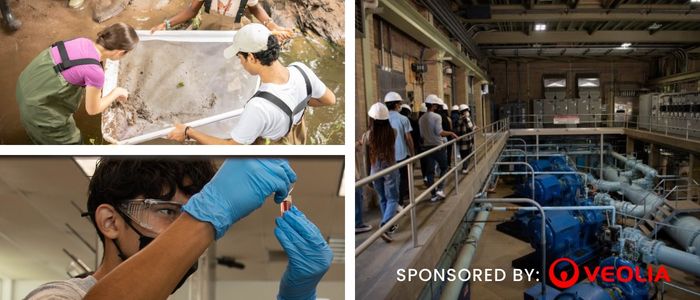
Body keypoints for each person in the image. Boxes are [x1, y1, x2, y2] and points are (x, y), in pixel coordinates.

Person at [24, 158, 332, 299]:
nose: (185, 227)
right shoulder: (59, 295)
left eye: (191, 212)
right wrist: (209, 214)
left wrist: (298, 296)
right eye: (168, 211)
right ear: (110, 221)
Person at [167, 23, 335, 145]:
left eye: (240, 58)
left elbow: (231, 148)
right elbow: (330, 100)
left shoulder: (258, 106)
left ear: (252, 58)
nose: (240, 63)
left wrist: (189, 132)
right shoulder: (301, 69)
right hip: (296, 137)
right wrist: (294, 102)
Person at [15, 23, 137, 145]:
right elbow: (93, 110)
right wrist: (116, 93)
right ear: (120, 52)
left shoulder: (83, 41)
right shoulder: (95, 73)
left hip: (27, 86)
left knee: (39, 135)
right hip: (38, 109)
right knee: (73, 146)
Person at [357, 103, 399, 242]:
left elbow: (366, 157)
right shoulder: (393, 132)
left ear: (372, 119)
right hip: (390, 168)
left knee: (383, 198)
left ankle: (387, 226)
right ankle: (385, 225)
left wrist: (368, 175)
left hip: (375, 169)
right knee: (392, 198)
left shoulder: (367, 136)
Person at [150, 0, 293, 40]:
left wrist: (272, 25)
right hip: (207, 28)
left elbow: (255, 8)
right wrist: (165, 24)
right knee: (202, 55)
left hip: (232, 31)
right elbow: (192, 10)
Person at [419, 95, 458, 202]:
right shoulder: (437, 117)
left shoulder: (421, 118)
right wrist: (451, 133)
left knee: (430, 172)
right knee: (444, 167)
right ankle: (440, 189)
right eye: (436, 104)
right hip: (437, 146)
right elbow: (440, 132)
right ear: (434, 105)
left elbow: (422, 135)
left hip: (427, 147)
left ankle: (433, 194)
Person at [384, 92, 415, 208]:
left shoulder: (382, 119)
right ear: (397, 105)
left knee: (390, 180)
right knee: (402, 179)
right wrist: (413, 154)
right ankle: (400, 202)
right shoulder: (403, 119)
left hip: (387, 156)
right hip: (402, 154)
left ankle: (391, 203)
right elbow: (408, 138)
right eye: (400, 103)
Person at [456, 104, 476, 174]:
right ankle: (465, 168)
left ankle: (464, 167)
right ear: (464, 112)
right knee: (468, 154)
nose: (468, 112)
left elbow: (458, 130)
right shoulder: (467, 119)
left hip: (461, 141)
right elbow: (471, 129)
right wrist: (475, 127)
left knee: (463, 155)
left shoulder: (459, 119)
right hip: (467, 140)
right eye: (467, 111)